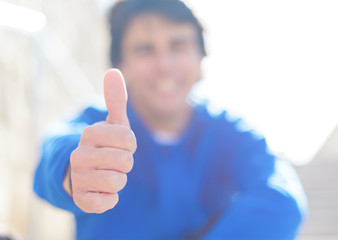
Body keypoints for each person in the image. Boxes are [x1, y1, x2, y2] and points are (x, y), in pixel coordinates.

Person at [33, 0, 308, 239]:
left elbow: (283, 198)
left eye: (178, 46)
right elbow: (53, 154)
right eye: (145, 49)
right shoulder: (97, 123)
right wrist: (74, 172)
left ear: (201, 58)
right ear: (121, 66)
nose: (164, 65)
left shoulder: (230, 135)